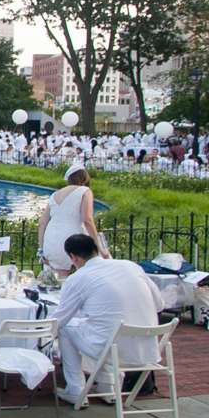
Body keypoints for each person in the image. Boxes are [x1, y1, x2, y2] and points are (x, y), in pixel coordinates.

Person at [52, 234, 163, 405]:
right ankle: (108, 388)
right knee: (100, 327)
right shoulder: (130, 266)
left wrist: (36, 333)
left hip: (112, 349)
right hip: (147, 348)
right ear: (96, 249)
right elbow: (159, 304)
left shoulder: (78, 277)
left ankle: (76, 389)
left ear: (73, 257)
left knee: (67, 328)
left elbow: (60, 319)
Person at [38, 164, 106, 275]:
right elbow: (87, 219)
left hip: (51, 241)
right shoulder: (85, 191)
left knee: (55, 281)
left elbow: (42, 223)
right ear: (85, 177)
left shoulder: (55, 194)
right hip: (73, 240)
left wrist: (41, 249)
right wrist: (98, 246)